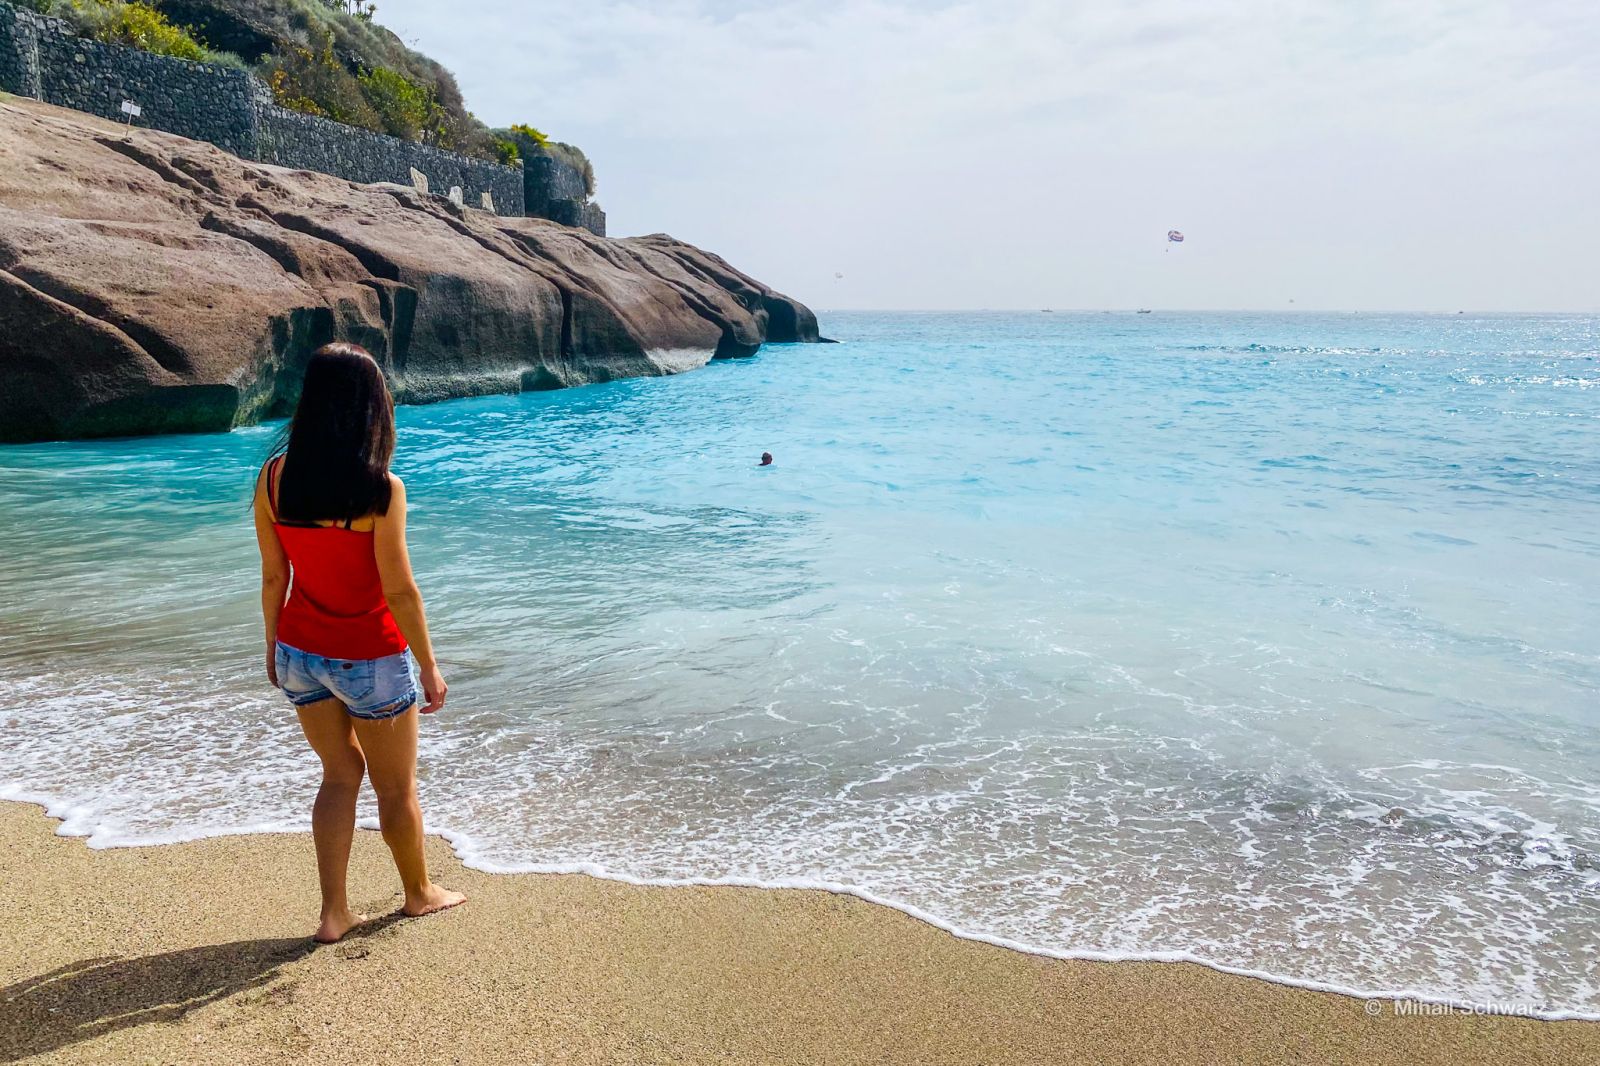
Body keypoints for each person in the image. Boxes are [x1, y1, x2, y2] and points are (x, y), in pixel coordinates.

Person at [253, 342, 465, 944]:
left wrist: (273, 646)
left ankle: (333, 914)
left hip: (300, 653)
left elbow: (275, 576)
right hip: (370, 656)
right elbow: (399, 590)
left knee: (338, 776)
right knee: (396, 788)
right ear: (373, 408)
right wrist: (429, 665)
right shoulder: (380, 490)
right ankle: (419, 894)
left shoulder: (273, 479)